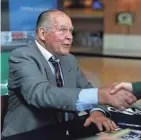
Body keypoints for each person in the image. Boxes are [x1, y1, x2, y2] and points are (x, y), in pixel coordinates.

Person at [2, 9, 136, 137]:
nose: (70, 37)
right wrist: (99, 95)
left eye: (71, 31)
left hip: (65, 133)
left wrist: (97, 111)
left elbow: (87, 89)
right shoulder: (22, 56)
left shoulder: (69, 59)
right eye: (62, 30)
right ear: (42, 34)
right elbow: (42, 94)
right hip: (27, 135)